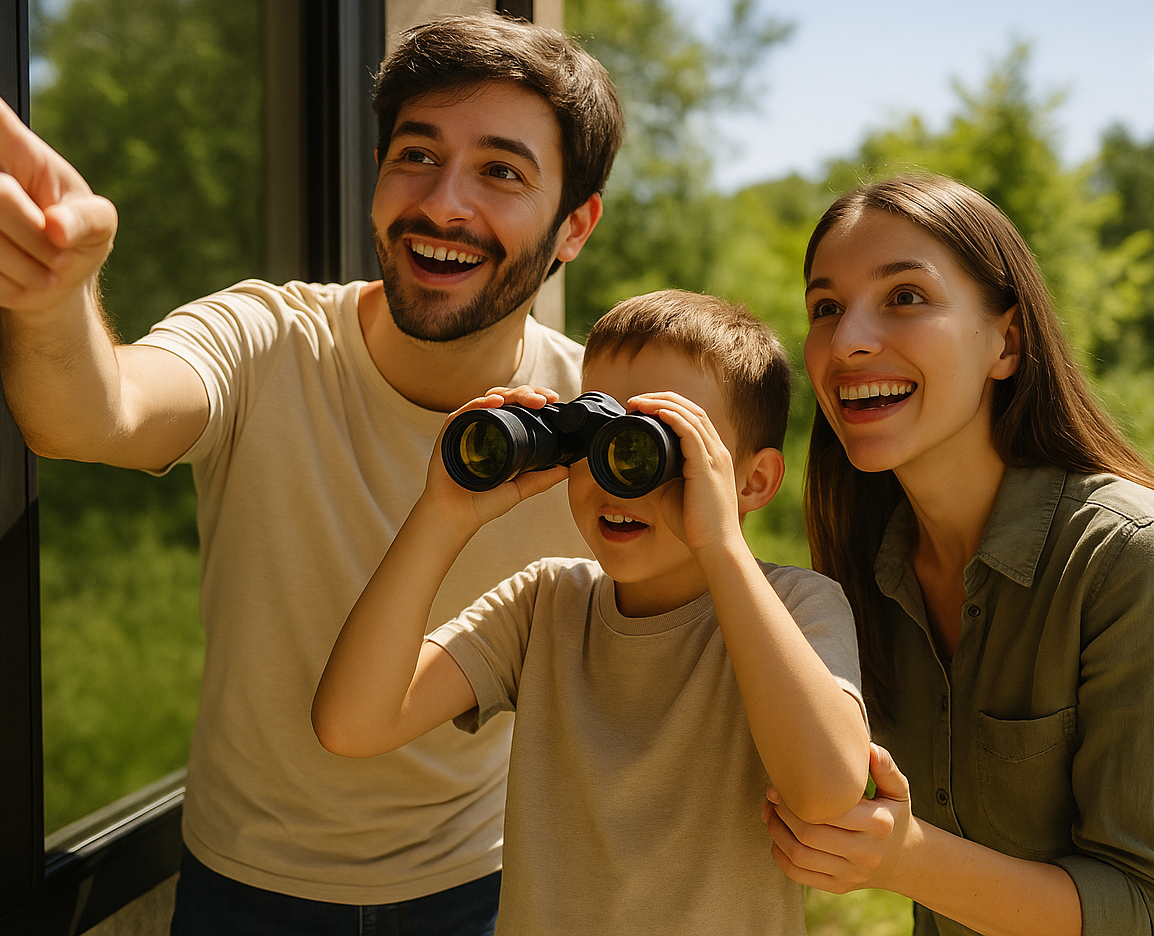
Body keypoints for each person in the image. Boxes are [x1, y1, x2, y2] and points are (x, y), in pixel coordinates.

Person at [0, 14, 624, 935]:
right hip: (241, 889)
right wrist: (54, 301)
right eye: (416, 154)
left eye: (501, 171)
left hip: (478, 891)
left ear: (574, 225)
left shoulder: (591, 423)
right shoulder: (268, 339)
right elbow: (89, 415)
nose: (444, 203)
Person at [763, 173, 1154, 936]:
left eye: (905, 297)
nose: (847, 339)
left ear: (1007, 342)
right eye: (825, 307)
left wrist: (900, 857)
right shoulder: (859, 577)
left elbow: (1148, 911)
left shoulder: (1134, 559)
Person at [313, 289, 871, 936]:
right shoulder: (546, 607)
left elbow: (827, 793)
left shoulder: (797, 610)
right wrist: (442, 514)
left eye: (653, 447)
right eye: (595, 438)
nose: (613, 476)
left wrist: (719, 545)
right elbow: (352, 723)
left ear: (751, 482)